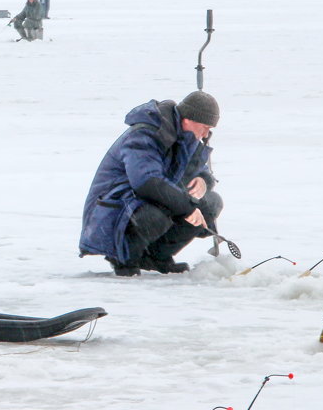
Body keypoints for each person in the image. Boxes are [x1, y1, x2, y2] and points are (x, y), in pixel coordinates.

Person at [78, 92, 223, 276]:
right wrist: (187, 207)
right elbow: (146, 182)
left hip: (147, 199)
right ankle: (124, 259)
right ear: (188, 119)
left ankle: (156, 257)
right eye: (204, 127)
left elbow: (197, 169)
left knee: (210, 203)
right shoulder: (145, 134)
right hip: (116, 207)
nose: (205, 134)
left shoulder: (187, 137)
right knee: (156, 215)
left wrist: (204, 180)